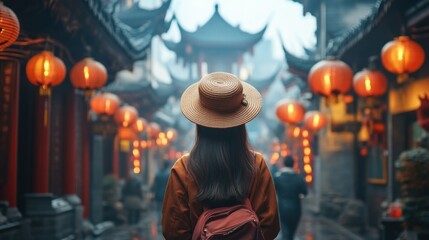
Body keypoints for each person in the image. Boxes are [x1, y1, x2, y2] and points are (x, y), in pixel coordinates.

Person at [162, 72, 280, 240]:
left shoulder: (183, 169)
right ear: (241, 122)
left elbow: (173, 231)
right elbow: (270, 226)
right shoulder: (256, 165)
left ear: (200, 122)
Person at [274, 155, 308, 240]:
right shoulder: (299, 178)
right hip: (296, 209)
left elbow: (272, 191)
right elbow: (305, 192)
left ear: (284, 164)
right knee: (291, 234)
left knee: (285, 233)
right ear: (293, 164)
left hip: (282, 209)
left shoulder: (277, 177)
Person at [151, 160, 171, 229]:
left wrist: (152, 192)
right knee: (165, 210)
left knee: (158, 210)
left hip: (158, 195)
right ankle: (163, 223)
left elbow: (154, 185)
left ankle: (159, 223)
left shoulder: (158, 174)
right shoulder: (168, 174)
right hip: (166, 196)